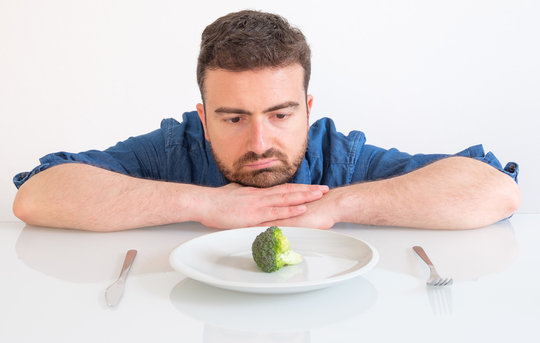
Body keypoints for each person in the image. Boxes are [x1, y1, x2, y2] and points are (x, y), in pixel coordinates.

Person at [12, 10, 521, 232]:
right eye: (233, 118)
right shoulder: (176, 148)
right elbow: (37, 195)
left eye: (280, 114)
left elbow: (495, 190)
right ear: (204, 119)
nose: (260, 141)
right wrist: (204, 203)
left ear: (307, 110)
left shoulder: (336, 156)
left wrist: (338, 205)